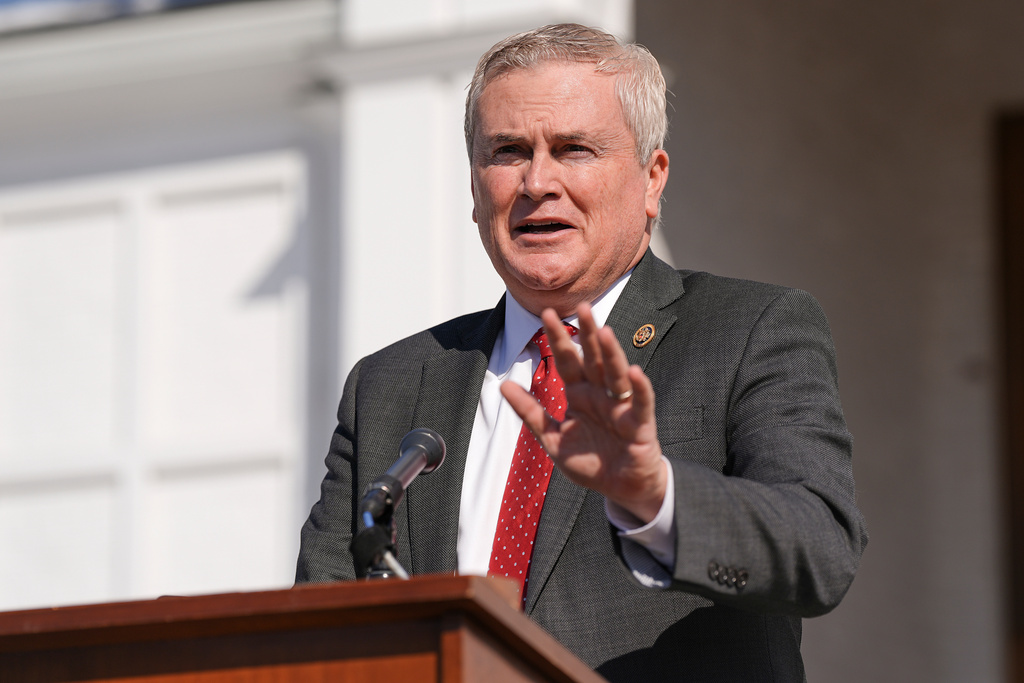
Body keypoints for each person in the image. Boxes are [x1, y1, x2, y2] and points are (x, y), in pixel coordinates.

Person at [296, 23, 867, 682]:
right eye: (508, 151)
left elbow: (820, 550)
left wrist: (655, 495)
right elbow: (321, 625)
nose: (537, 180)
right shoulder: (392, 384)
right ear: (476, 186)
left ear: (651, 180)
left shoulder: (749, 329)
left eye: (574, 149)